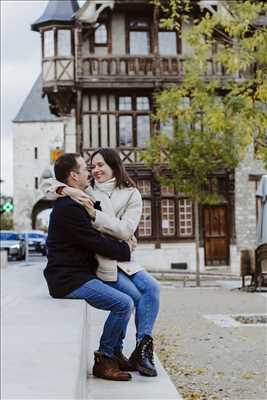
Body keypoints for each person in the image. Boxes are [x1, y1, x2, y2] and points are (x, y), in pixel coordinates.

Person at [42, 148, 160, 377]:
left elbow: (125, 229)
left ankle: (138, 349)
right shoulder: (83, 195)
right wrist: (65, 189)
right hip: (90, 268)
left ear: (114, 166)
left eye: (99, 166)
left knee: (151, 289)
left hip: (104, 264)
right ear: (76, 176)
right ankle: (106, 356)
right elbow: (48, 183)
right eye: (90, 167)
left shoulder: (127, 194)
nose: (93, 170)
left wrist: (95, 215)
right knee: (127, 301)